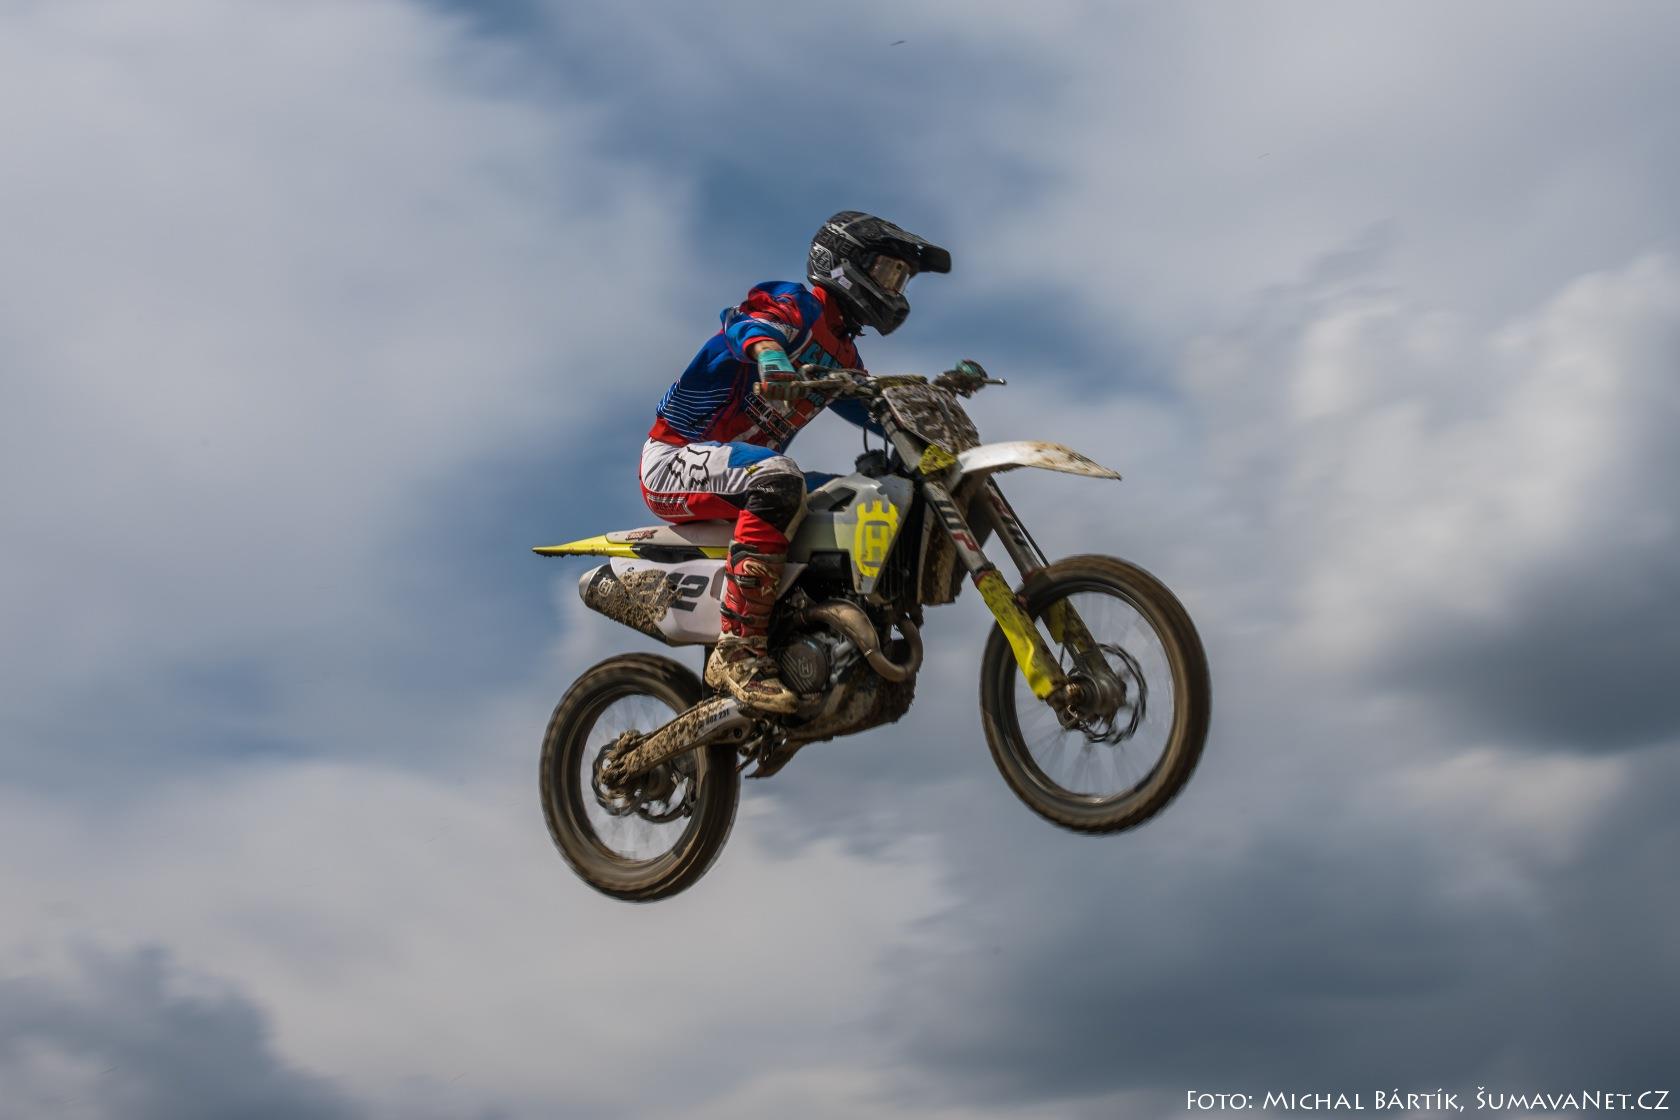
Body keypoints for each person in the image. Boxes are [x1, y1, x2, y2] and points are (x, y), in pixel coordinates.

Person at [640, 211, 951, 713]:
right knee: (779, 477)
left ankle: (813, 636)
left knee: (864, 496)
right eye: (887, 271)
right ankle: (737, 650)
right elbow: (745, 322)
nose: (893, 288)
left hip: (742, 474)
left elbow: (878, 410)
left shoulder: (844, 356)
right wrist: (769, 354)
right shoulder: (796, 306)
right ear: (843, 262)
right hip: (673, 458)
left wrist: (936, 405)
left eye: (901, 279)